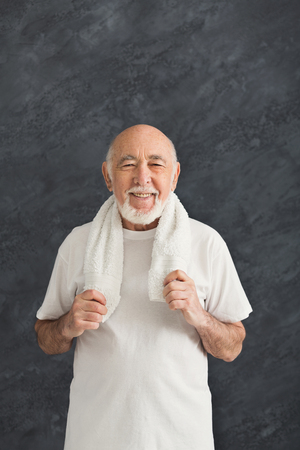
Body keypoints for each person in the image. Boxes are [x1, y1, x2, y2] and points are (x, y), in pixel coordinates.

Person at [35, 124, 252, 450]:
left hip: (182, 438)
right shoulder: (78, 243)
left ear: (174, 175)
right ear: (108, 176)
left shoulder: (206, 243)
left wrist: (199, 315)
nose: (142, 177)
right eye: (127, 164)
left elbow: (233, 347)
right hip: (94, 438)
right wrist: (68, 324)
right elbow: (46, 338)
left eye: (156, 163)